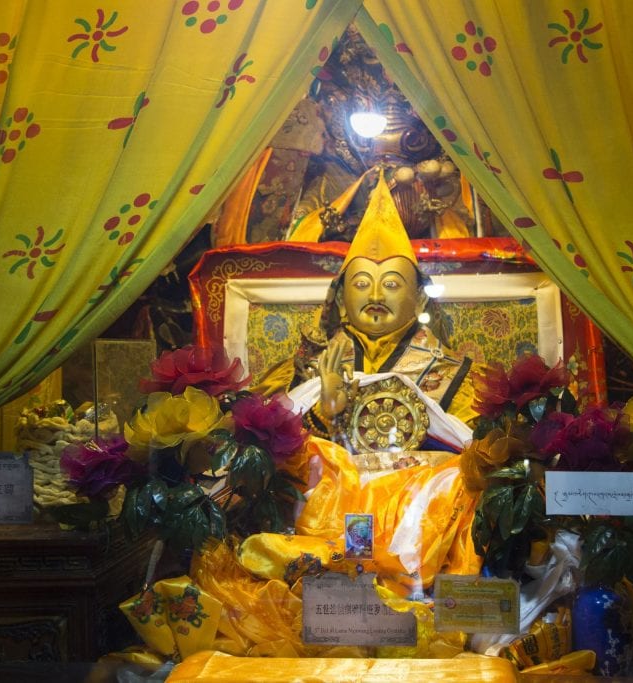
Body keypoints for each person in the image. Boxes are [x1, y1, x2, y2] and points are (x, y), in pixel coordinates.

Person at [201, 171, 485, 600]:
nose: (376, 294)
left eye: (391, 284)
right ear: (339, 297)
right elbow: (266, 456)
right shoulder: (302, 370)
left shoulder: (457, 375)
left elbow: (475, 453)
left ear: (421, 299)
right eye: (360, 283)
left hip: (413, 526)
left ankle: (403, 586)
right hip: (324, 521)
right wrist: (323, 413)